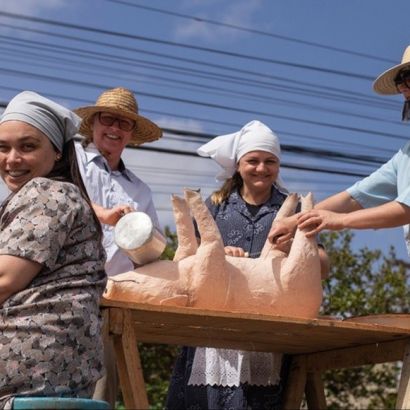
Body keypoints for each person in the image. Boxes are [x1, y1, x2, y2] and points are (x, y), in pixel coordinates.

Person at [166, 120, 329, 410]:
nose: (261, 168)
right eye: (253, 161)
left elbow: (323, 266)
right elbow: (187, 260)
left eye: (270, 161)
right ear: (238, 165)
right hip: (214, 327)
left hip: (269, 330)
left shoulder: (292, 210)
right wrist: (215, 254)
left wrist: (297, 251)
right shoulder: (216, 205)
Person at [0, 91, 107, 409]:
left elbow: (4, 278)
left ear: (57, 153)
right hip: (61, 370)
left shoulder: (49, 192)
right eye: (3, 148)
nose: (12, 159)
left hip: (33, 367)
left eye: (28, 146)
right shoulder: (45, 195)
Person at [268, 45, 410, 253]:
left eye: (407, 78)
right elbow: (355, 197)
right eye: (401, 82)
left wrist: (341, 220)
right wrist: (296, 220)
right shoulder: (406, 155)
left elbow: (406, 209)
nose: (403, 89)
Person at [73, 87, 163, 406]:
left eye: (124, 124)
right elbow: (56, 200)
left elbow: (153, 253)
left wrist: (143, 237)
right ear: (94, 123)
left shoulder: (141, 190)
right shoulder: (71, 161)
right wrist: (103, 214)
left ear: (131, 134)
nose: (114, 128)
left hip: (112, 300)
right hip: (66, 292)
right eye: (108, 119)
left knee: (99, 393)